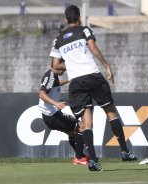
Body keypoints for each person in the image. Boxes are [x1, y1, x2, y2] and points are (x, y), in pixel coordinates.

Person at [49, 5, 137, 171]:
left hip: (76, 82)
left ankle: (94, 161)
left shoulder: (58, 40)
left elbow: (55, 67)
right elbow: (93, 47)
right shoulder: (84, 30)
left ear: (66, 20)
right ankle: (125, 151)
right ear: (79, 18)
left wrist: (70, 62)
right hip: (92, 76)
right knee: (111, 112)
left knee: (86, 122)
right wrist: (107, 65)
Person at [38, 60, 88, 166]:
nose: (64, 70)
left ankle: (80, 155)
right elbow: (42, 94)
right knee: (81, 126)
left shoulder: (52, 76)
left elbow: (55, 84)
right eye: (64, 68)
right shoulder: (50, 76)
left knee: (72, 132)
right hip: (52, 116)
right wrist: (56, 103)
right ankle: (79, 158)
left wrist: (69, 80)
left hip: (51, 115)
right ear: (58, 65)